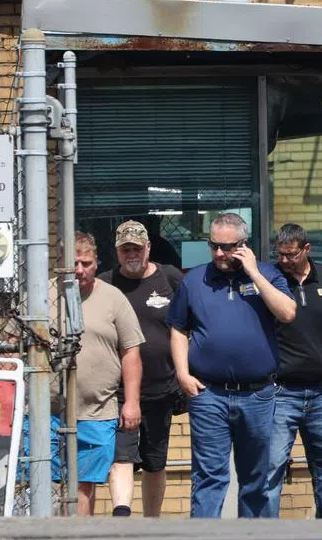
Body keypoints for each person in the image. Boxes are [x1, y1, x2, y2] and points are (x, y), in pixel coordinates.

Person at [166, 213, 297, 518]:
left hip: (257, 395)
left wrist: (254, 273)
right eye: (214, 246)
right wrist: (183, 374)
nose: (219, 253)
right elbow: (178, 328)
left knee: (256, 479)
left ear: (243, 245)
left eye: (227, 247)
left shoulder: (268, 275)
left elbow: (288, 313)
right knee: (209, 478)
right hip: (208, 394)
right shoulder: (194, 280)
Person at [264, 223, 322, 518]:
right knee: (272, 467)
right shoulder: (271, 280)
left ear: (306, 249)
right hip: (280, 392)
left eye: (291, 254)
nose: (285, 260)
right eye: (280, 254)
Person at [100, 220, 183, 517]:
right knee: (121, 457)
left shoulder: (170, 278)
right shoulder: (106, 283)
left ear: (148, 248)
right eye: (126, 250)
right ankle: (122, 518)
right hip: (118, 391)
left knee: (154, 463)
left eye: (137, 248)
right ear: (117, 252)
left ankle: (151, 523)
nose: (132, 254)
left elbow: (189, 324)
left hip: (161, 389)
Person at [62, 232, 145, 516]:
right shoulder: (41, 295)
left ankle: (80, 534)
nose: (79, 270)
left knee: (84, 483)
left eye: (86, 263)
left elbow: (131, 352)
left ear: (96, 262)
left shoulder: (112, 298)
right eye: (73, 263)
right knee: (51, 482)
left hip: (96, 410)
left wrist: (131, 402)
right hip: (49, 409)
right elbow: (13, 347)